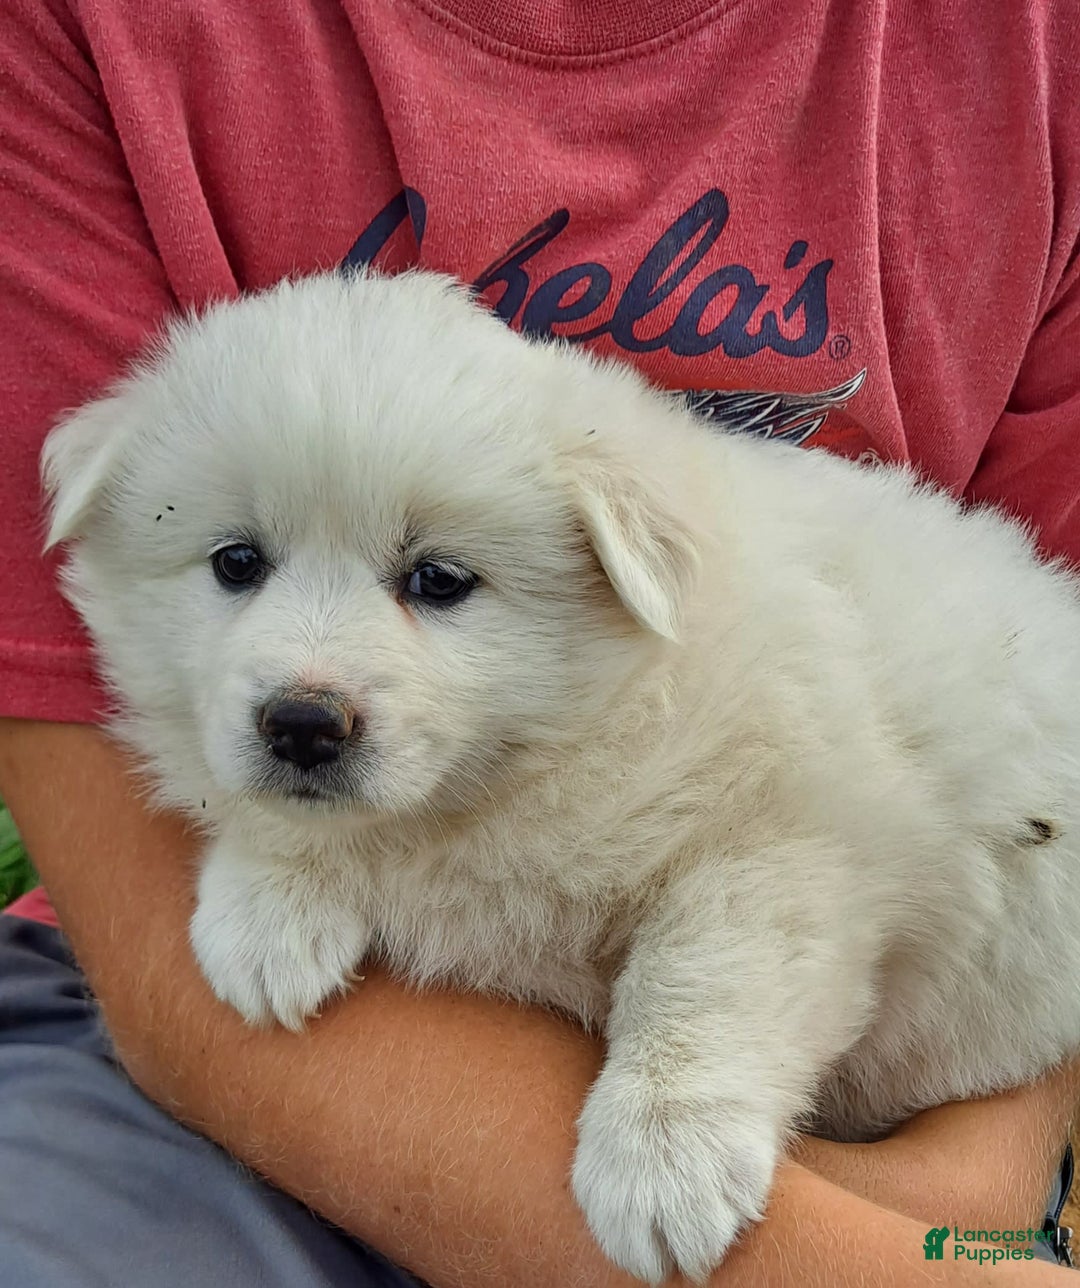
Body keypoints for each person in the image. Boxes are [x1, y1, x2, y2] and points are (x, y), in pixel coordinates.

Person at [1, 0, 1079, 1283]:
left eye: (438, 581)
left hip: (939, 1076)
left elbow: (794, 857)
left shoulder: (672, 687)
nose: (309, 676)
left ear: (606, 572)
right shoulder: (76, 39)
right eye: (240, 565)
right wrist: (291, 854)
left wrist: (700, 1089)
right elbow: (185, 981)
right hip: (183, 1060)